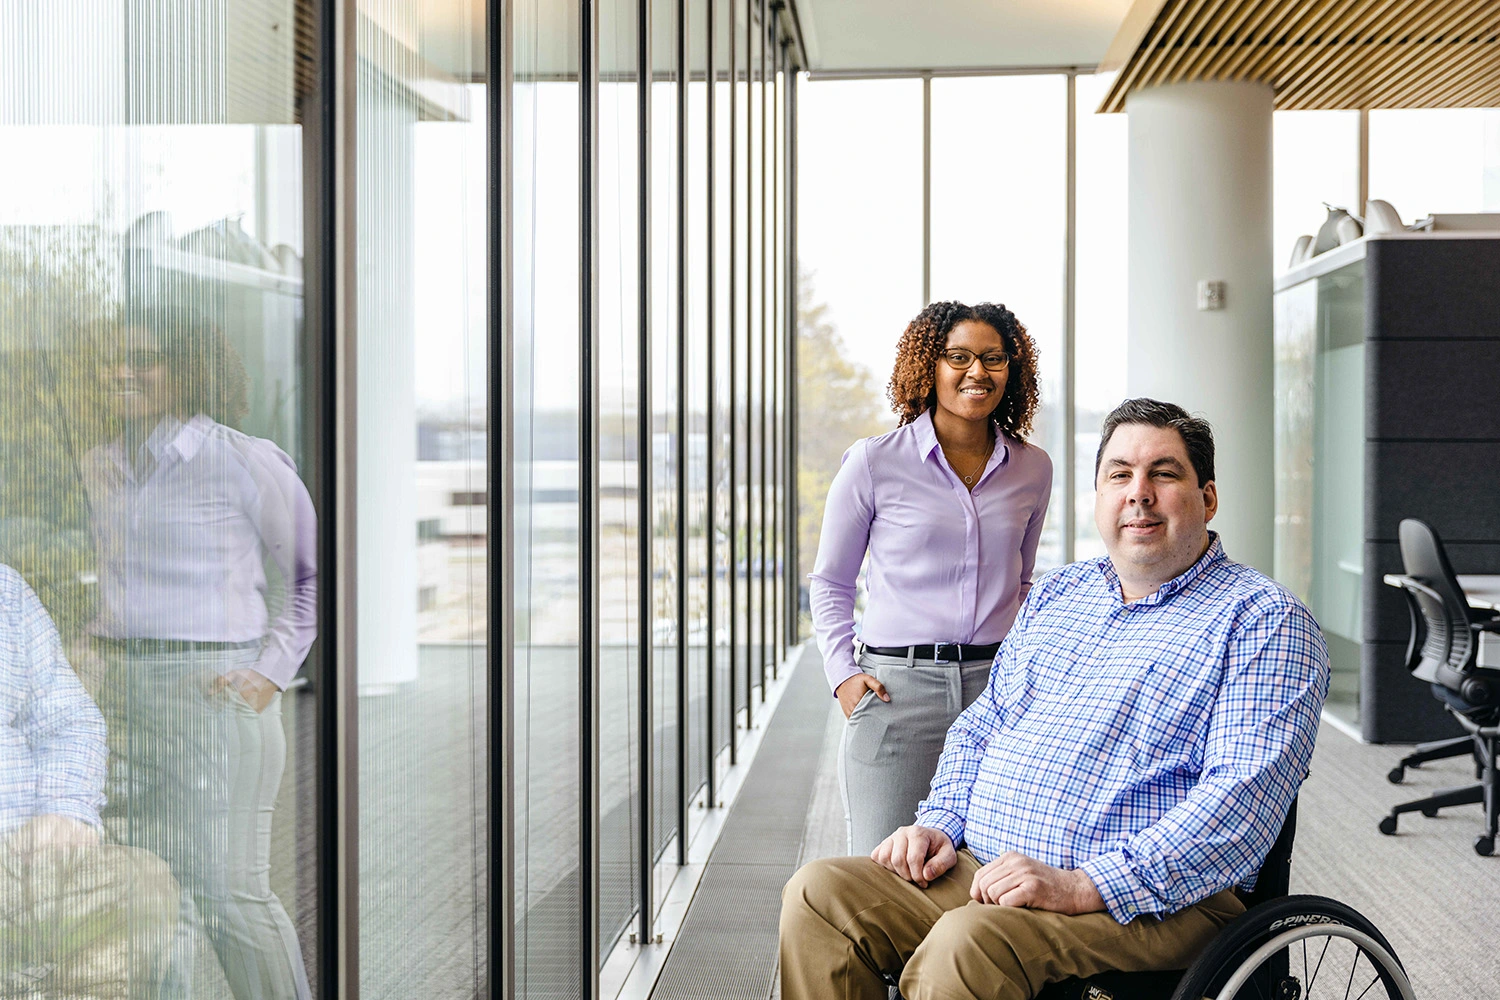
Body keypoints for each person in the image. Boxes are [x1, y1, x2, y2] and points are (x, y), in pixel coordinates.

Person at [780, 398, 1331, 1000]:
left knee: (969, 944)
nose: (1138, 493)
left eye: (1164, 474)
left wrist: (1083, 886)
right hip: (990, 870)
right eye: (1119, 475)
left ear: (1208, 498)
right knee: (820, 896)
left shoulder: (1264, 620)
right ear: (1099, 496)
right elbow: (983, 726)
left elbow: (1238, 805)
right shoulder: (1059, 594)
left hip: (1153, 903)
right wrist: (939, 823)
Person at [82, 304, 317, 999]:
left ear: (186, 370)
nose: (120, 372)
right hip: (125, 696)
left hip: (214, 690)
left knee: (231, 892)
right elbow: (120, 586)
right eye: (110, 359)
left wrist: (270, 673)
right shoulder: (99, 464)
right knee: (158, 897)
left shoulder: (242, 460)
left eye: (142, 359)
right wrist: (89, 650)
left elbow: (312, 577)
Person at [809, 301, 1052, 855]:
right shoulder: (873, 463)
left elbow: (1022, 581)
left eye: (993, 358)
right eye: (958, 357)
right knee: (882, 869)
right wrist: (844, 676)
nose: (977, 372)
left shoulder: (1034, 468)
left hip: (998, 693)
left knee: (986, 871)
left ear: (1011, 370)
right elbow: (831, 582)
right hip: (898, 694)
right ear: (929, 366)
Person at [0, 562, 178, 997]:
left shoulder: (5, 591)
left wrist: (62, 809)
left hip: (21, 851)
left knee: (141, 884)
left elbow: (68, 721)